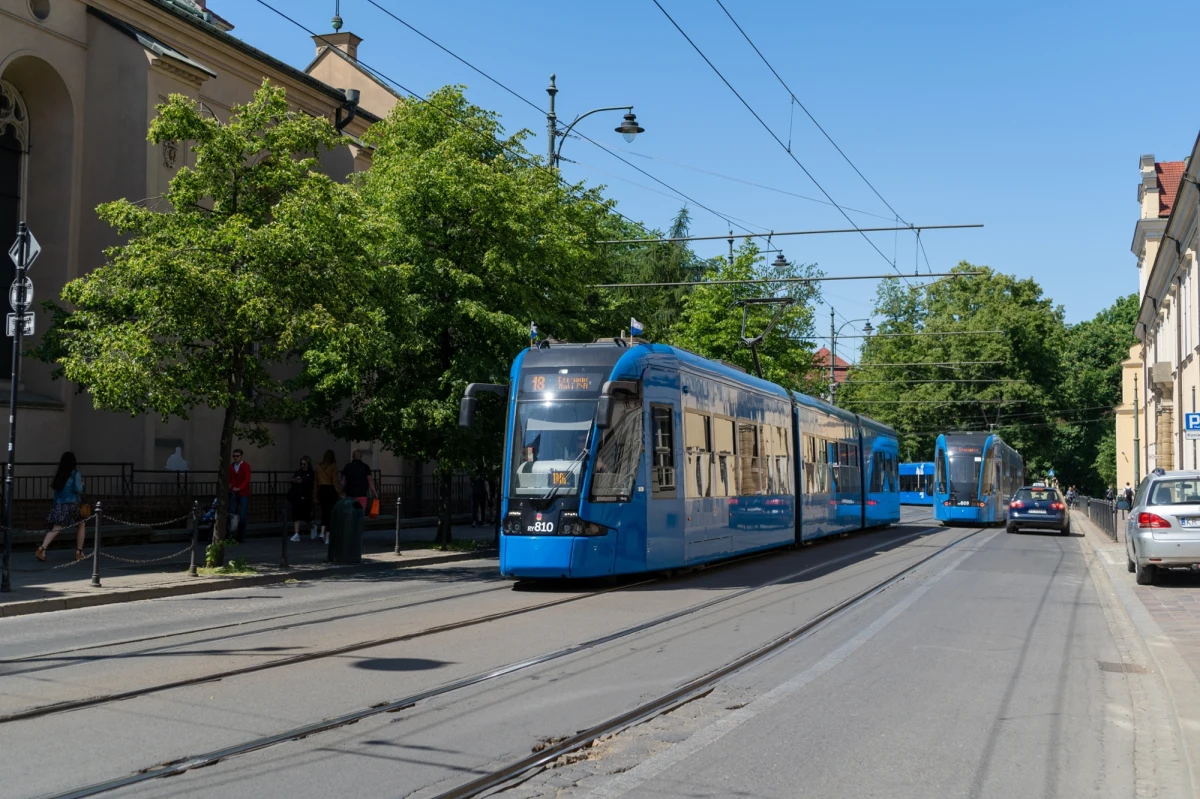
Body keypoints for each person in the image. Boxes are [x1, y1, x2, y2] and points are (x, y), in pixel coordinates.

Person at [36, 452, 87, 562]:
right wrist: (82, 485)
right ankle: (79, 551)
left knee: (57, 527)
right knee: (82, 524)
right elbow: (78, 489)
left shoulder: (60, 474)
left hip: (60, 504)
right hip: (73, 504)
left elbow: (56, 493)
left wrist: (55, 505)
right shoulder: (75, 474)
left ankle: (42, 548)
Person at [315, 450, 342, 544]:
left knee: (324, 512)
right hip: (330, 490)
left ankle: (322, 532)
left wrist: (315, 495)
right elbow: (334, 481)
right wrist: (340, 492)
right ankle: (327, 537)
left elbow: (315, 482)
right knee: (331, 514)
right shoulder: (333, 466)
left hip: (321, 490)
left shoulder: (318, 467)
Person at [288, 456, 316, 542]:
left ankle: (312, 527)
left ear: (308, 464)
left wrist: (303, 481)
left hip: (306, 496)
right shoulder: (298, 472)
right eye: (301, 464)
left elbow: (311, 483)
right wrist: (294, 480)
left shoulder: (311, 473)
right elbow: (293, 481)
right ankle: (296, 534)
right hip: (297, 495)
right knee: (296, 514)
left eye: (304, 464)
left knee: (306, 516)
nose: (302, 465)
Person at [229, 449, 251, 541]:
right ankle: (232, 534)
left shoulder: (246, 466)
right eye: (234, 456)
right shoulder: (231, 466)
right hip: (234, 492)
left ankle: (241, 536)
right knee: (233, 514)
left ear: (241, 456)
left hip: (243, 493)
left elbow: (247, 479)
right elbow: (229, 478)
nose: (235, 458)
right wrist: (231, 487)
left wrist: (240, 488)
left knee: (242, 515)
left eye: (237, 456)